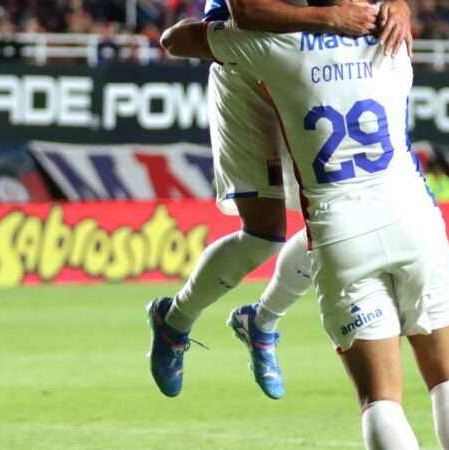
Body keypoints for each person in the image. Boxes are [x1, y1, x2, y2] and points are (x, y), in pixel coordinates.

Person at [160, 2, 449, 448]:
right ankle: (239, 320)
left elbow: (176, 40)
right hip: (415, 221)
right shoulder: (390, 38)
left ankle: (256, 319)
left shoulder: (275, 46)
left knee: (381, 399)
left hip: (340, 234)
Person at [147, 0, 412, 400]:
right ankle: (175, 321)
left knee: (338, 222)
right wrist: (329, 17)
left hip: (315, 59)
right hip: (243, 62)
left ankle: (262, 321)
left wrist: (400, 5)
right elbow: (245, 14)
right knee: (263, 234)